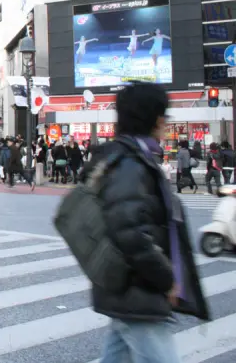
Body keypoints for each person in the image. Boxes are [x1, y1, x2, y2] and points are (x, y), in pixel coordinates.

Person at [90, 83, 208, 363]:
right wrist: (167, 279)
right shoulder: (131, 163)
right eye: (164, 115)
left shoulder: (131, 158)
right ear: (155, 118)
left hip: (128, 292)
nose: (167, 122)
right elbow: (129, 233)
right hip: (138, 292)